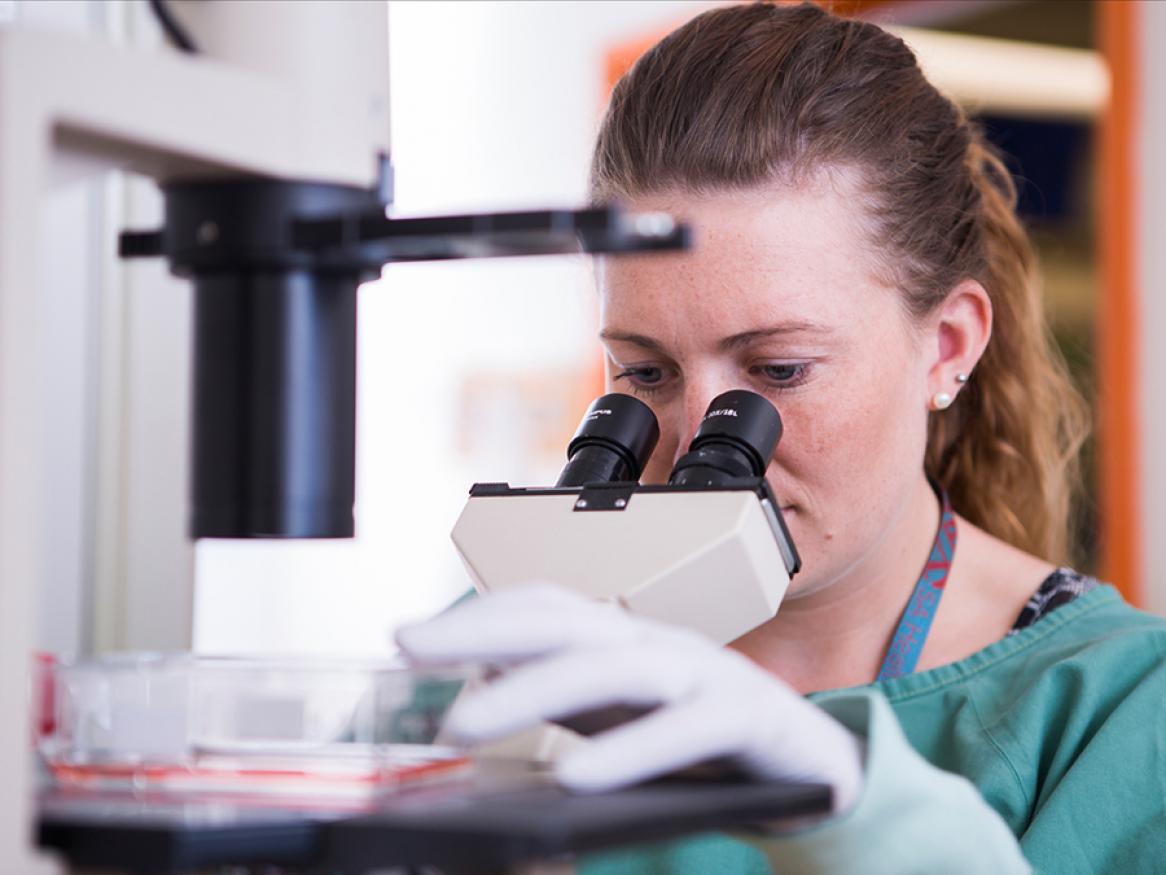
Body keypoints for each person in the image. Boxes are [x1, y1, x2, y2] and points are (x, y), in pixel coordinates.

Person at [398, 3, 1166, 872]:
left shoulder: (1122, 713)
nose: (698, 443)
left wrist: (866, 819)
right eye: (645, 374)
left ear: (946, 346)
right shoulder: (515, 649)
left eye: (781, 371)